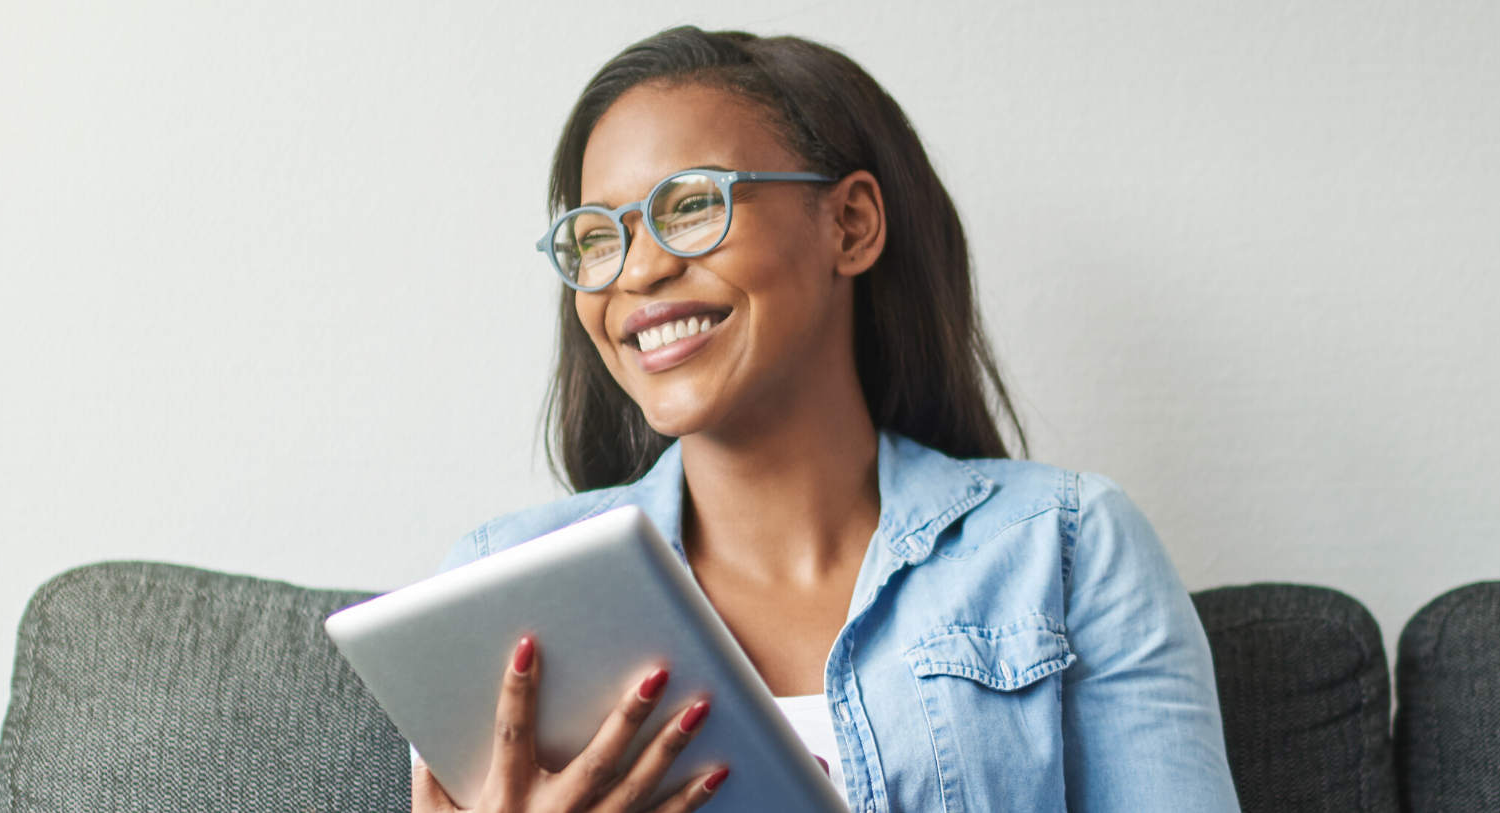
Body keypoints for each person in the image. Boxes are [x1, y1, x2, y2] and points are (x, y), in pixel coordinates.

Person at [409, 25, 1240, 813]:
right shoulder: (501, 584)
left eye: (691, 206)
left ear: (849, 224)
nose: (640, 269)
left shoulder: (1066, 545)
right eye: (597, 238)